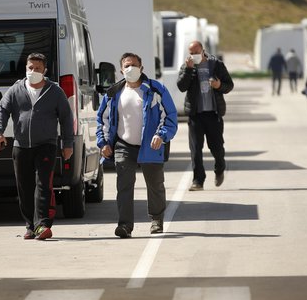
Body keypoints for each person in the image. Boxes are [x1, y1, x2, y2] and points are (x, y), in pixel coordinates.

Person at [0, 53, 73, 240]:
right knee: (24, 188)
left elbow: (66, 118)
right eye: (30, 68)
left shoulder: (55, 91)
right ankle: (30, 226)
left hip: (46, 145)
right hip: (21, 146)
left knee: (43, 185)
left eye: (37, 68)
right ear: (26, 68)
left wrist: (67, 143)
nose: (33, 71)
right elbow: (2, 110)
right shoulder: (15, 90)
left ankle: (42, 224)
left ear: (44, 70)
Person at [96, 52, 178, 238]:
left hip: (151, 146)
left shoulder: (156, 90)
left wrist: (161, 136)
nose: (130, 68)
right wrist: (103, 142)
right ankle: (125, 225)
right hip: (123, 145)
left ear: (141, 68)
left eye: (134, 65)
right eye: (126, 65)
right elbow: (103, 119)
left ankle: (156, 220)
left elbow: (170, 116)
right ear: (121, 70)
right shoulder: (113, 93)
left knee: (155, 185)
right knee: (124, 185)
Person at [177, 41, 234, 191]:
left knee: (217, 148)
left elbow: (229, 85)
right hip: (195, 115)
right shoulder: (187, 66)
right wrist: (189, 70)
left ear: (203, 50)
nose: (194, 55)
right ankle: (198, 181)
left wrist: (219, 86)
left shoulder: (216, 65)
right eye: (191, 52)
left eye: (197, 52)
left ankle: (220, 168)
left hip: (213, 114)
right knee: (196, 149)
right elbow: (181, 87)